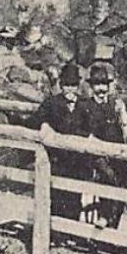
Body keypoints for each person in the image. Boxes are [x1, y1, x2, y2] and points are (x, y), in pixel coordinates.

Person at [29, 63, 93, 221]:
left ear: (78, 86)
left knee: (75, 198)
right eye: (66, 85)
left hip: (78, 161)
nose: (70, 90)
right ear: (61, 85)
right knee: (56, 197)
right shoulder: (52, 103)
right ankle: (56, 234)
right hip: (57, 159)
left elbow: (92, 127)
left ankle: (71, 234)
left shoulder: (85, 105)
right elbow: (34, 121)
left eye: (73, 85)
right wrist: (45, 125)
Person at [79, 60, 127, 228]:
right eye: (97, 85)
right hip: (96, 154)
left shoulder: (114, 105)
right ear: (91, 87)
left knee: (124, 179)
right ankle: (105, 216)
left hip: (116, 153)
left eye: (104, 85)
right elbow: (81, 131)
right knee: (109, 177)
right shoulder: (85, 106)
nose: (101, 89)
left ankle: (112, 225)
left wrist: (122, 112)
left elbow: (126, 130)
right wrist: (93, 141)